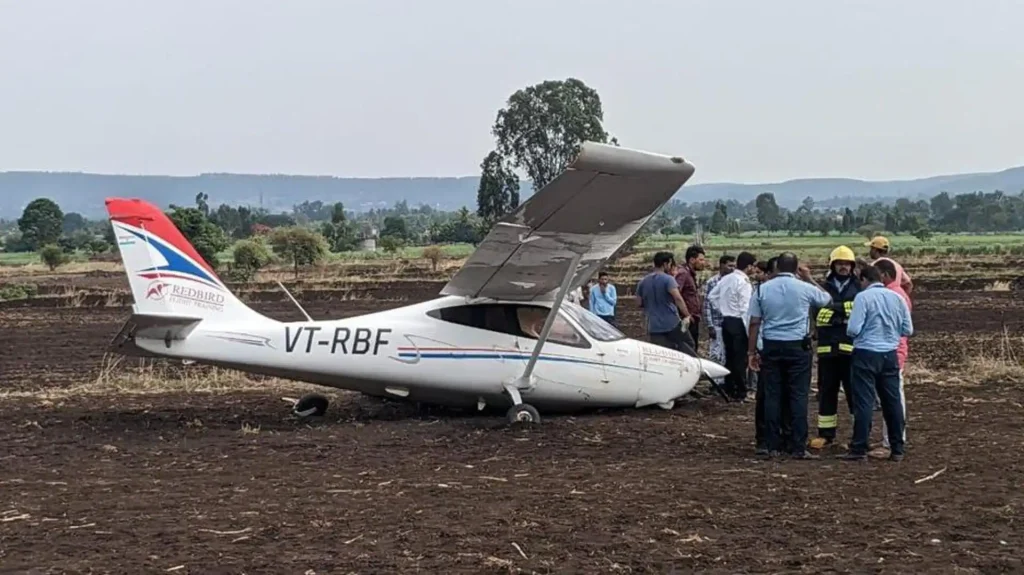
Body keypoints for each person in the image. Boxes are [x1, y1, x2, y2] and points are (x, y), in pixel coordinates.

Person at [747, 252, 832, 459]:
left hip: (771, 346)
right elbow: (827, 300)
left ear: (777, 268)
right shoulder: (804, 288)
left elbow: (754, 323)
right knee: (798, 396)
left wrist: (751, 352)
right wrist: (809, 279)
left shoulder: (762, 289)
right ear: (795, 268)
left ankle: (772, 445)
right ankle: (797, 446)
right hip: (798, 347)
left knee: (772, 396)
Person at [842, 264, 913, 462]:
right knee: (892, 402)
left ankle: (859, 447)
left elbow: (853, 329)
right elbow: (908, 329)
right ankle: (897, 448)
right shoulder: (897, 298)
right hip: (889, 355)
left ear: (864, 279)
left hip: (866, 353)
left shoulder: (863, 298)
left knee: (864, 402)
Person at [808, 246, 862, 450]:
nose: (843, 267)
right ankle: (826, 434)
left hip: (851, 350)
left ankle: (859, 434)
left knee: (854, 394)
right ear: (832, 265)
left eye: (847, 264)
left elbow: (857, 310)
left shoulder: (860, 287)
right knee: (826, 392)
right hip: (827, 350)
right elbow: (818, 313)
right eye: (839, 263)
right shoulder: (823, 287)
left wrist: (832, 309)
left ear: (852, 266)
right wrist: (845, 310)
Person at [872, 258, 912, 458]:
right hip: (896, 350)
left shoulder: (891, 295)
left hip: (891, 352)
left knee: (892, 398)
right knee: (893, 397)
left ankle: (891, 442)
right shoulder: (900, 293)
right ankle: (891, 439)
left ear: (885, 275)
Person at [707, 251, 758, 401]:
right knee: (740, 359)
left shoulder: (726, 278)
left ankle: (730, 388)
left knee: (729, 356)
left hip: (726, 321)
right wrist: (749, 330)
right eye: (753, 266)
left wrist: (722, 308)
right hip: (738, 321)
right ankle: (741, 391)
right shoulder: (744, 282)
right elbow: (745, 308)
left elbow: (712, 296)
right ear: (749, 266)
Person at [636, 251, 697, 357]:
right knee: (688, 344)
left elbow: (639, 303)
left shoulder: (643, 282)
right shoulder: (668, 280)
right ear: (665, 264)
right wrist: (687, 315)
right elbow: (678, 298)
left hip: (653, 325)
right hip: (672, 323)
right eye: (670, 264)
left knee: (661, 354)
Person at [702, 255, 736, 390]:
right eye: (729, 265)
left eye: (734, 266)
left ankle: (727, 381)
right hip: (717, 323)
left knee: (729, 353)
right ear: (721, 265)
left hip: (731, 323)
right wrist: (710, 325)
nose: (732, 269)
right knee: (716, 353)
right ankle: (716, 382)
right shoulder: (712, 282)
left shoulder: (735, 281)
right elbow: (707, 305)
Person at [674, 245, 707, 346]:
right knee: (689, 348)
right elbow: (676, 295)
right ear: (692, 260)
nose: (703, 263)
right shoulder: (683, 273)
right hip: (687, 321)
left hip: (692, 319)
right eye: (701, 260)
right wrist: (687, 314)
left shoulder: (689, 274)